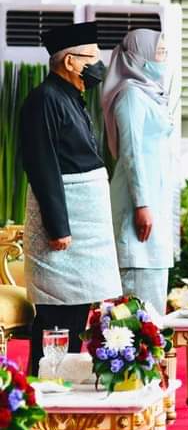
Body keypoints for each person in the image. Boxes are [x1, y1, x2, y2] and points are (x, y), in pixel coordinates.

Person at [20, 22, 122, 375]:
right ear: (69, 62)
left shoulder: (71, 95)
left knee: (77, 311)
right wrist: (58, 227)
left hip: (85, 225)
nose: (98, 66)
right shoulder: (44, 99)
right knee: (56, 314)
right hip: (64, 228)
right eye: (91, 58)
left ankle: (67, 383)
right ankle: (43, 388)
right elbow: (42, 165)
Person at [101, 29, 175, 316]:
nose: (163, 59)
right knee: (137, 303)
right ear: (139, 57)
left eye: (165, 52)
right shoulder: (131, 95)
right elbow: (131, 153)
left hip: (154, 202)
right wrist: (142, 204)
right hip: (138, 204)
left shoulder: (150, 94)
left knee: (154, 294)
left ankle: (150, 344)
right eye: (159, 53)